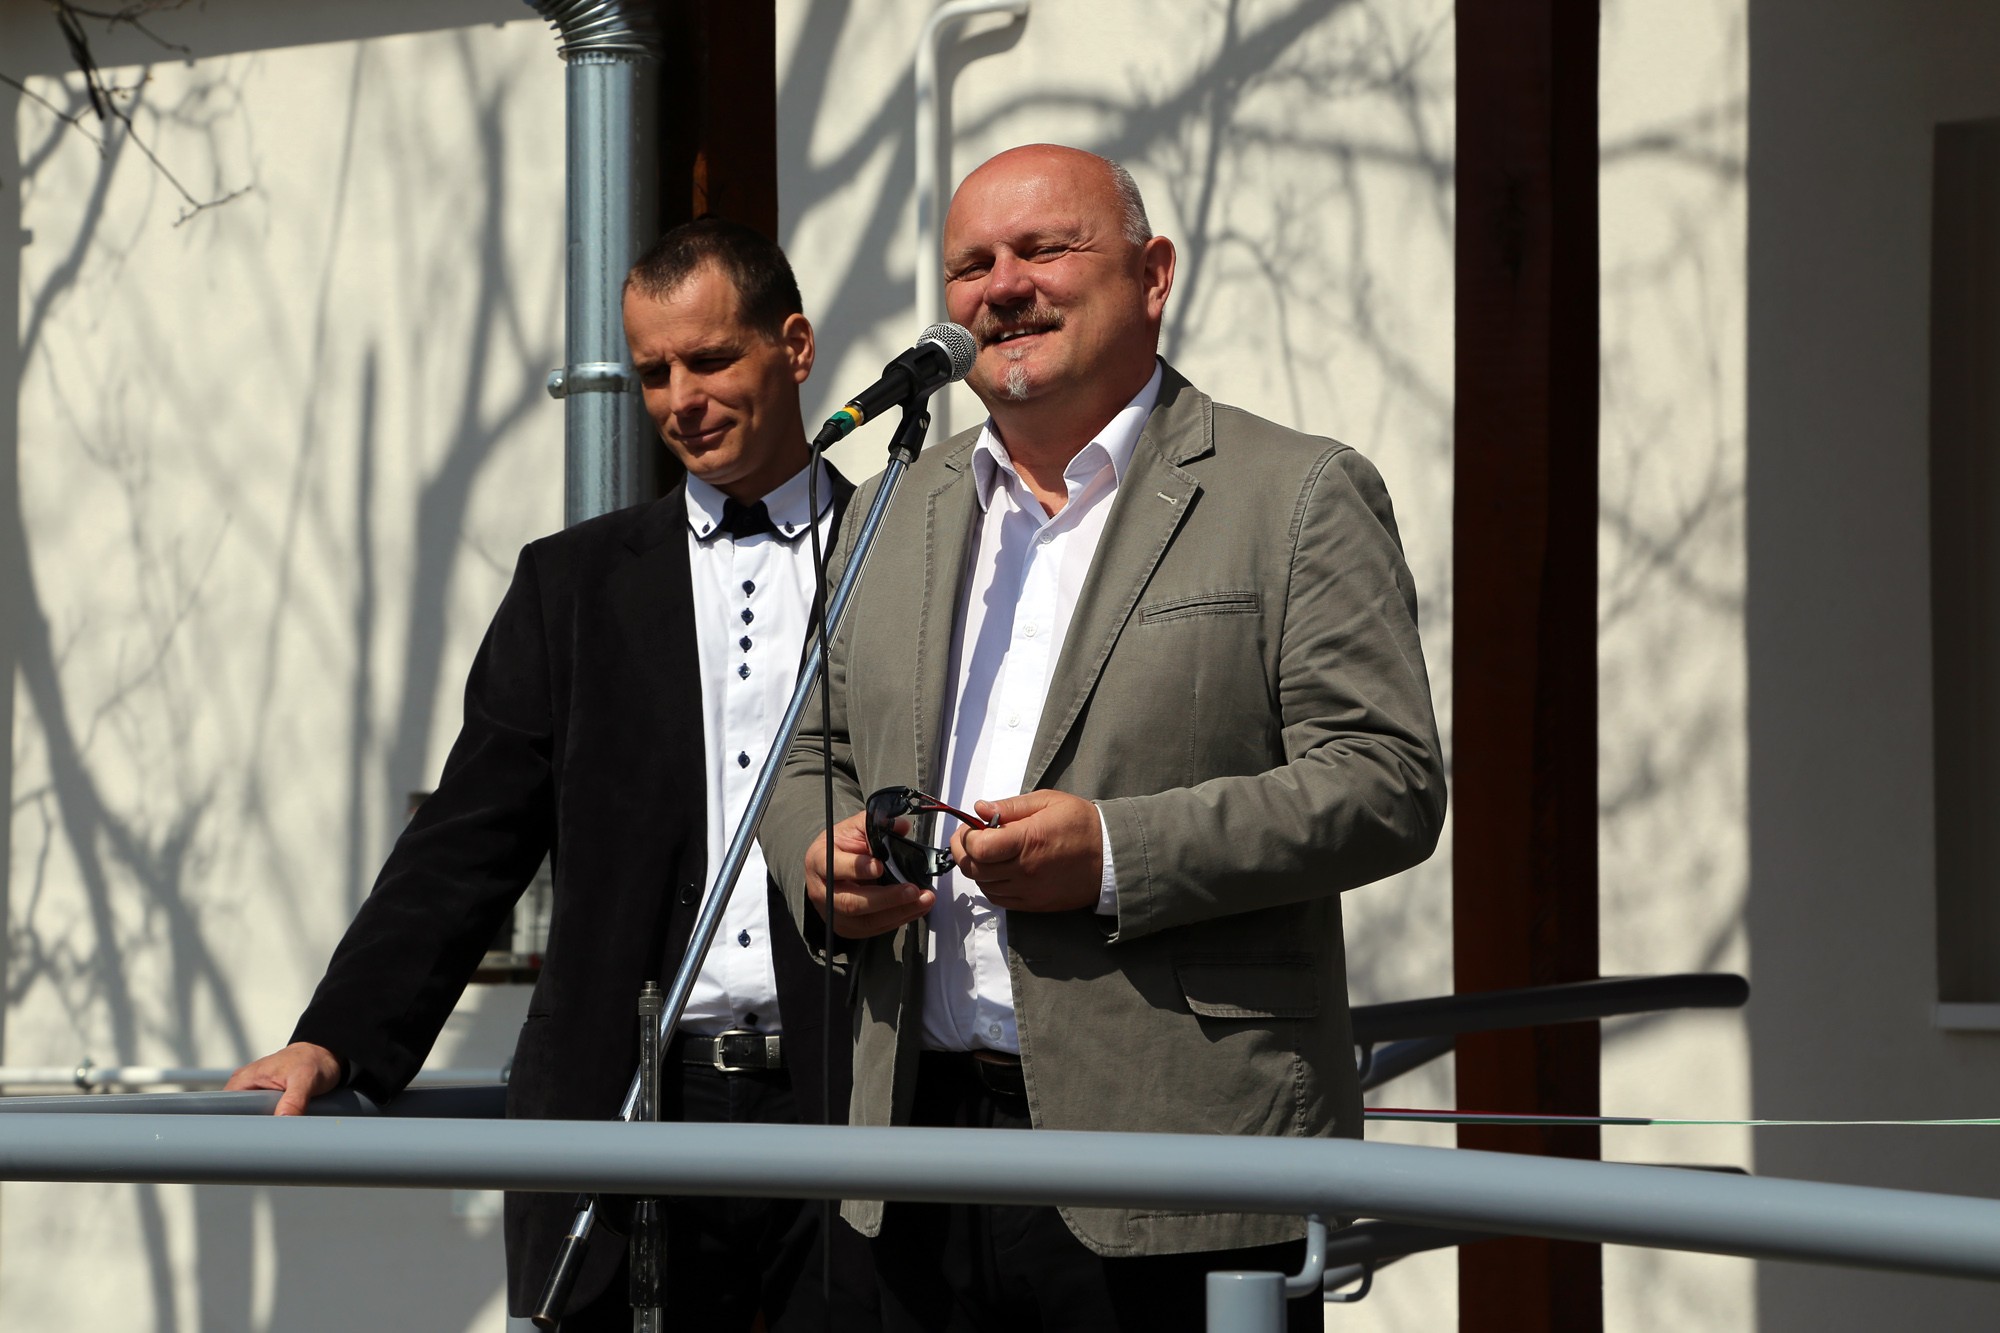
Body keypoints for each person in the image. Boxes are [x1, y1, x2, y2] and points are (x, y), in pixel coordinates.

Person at [761, 144, 1448, 1332]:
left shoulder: (1293, 492)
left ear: (1152, 274)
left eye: (1044, 249)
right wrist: (817, 856)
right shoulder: (891, 504)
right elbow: (806, 749)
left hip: (1180, 1152)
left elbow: (1384, 780)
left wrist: (1117, 854)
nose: (1002, 286)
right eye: (971, 264)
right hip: (916, 1149)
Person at [227, 218, 871, 1331]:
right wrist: (337, 1036)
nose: (682, 400)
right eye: (654, 373)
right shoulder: (570, 585)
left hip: (853, 1104)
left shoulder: (904, 546)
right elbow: (467, 839)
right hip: (624, 1115)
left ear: (795, 346)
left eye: (711, 359)